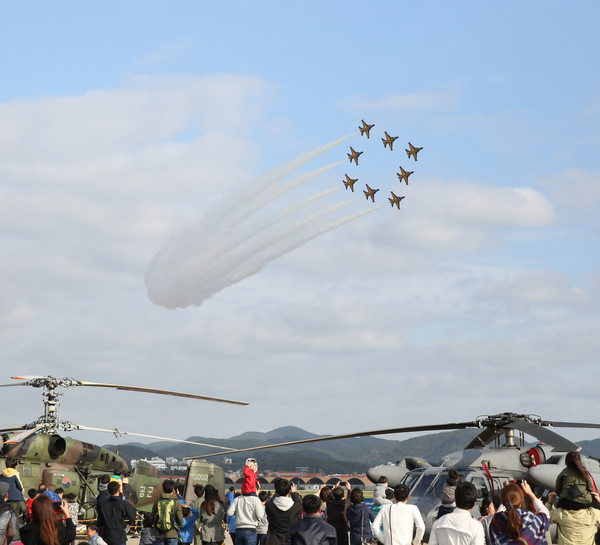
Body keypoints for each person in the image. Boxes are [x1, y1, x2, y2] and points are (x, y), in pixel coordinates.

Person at [489, 481, 549, 545]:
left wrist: (507, 495)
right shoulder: (530, 519)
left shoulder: (496, 522)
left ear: (503, 502)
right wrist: (530, 493)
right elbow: (545, 514)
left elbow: (501, 511)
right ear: (521, 501)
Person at [97, 480, 138, 545]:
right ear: (118, 490)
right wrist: (125, 524)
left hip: (106, 537)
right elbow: (132, 517)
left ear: (108, 491)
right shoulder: (124, 504)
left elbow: (100, 522)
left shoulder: (102, 505)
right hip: (119, 536)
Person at [264, 479, 302, 545]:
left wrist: (277, 493)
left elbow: (270, 502)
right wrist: (293, 493)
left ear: (276, 491)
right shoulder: (295, 507)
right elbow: (298, 502)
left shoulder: (270, 506)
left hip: (273, 540)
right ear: (289, 491)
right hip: (290, 540)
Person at [152, 480, 184, 545]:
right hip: (172, 533)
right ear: (172, 490)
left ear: (163, 489)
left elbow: (153, 515)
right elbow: (180, 519)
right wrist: (178, 526)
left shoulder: (158, 501)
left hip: (160, 533)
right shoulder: (176, 501)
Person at [0, 458, 28, 526]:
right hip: (17, 499)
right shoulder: (15, 475)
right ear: (16, 467)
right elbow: (19, 486)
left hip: (5, 499)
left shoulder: (1, 475)